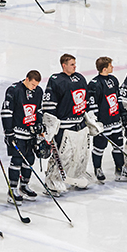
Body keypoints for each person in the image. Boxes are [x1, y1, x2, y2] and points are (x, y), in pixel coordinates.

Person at [41, 54, 97, 192]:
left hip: (80, 124)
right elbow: (49, 107)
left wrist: (90, 119)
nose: (75, 66)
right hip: (64, 127)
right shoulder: (56, 80)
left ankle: (77, 176)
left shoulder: (80, 78)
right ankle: (53, 181)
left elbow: (86, 100)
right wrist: (50, 129)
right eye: (72, 64)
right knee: (62, 156)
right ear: (64, 65)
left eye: (75, 63)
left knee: (80, 154)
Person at [87, 57, 127, 181]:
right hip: (103, 124)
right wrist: (96, 123)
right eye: (110, 65)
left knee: (119, 146)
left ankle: (120, 169)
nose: (112, 67)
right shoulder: (94, 84)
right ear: (104, 68)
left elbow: (118, 99)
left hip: (115, 121)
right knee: (99, 147)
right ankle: (97, 169)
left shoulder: (113, 80)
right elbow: (92, 105)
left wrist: (123, 114)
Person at [1, 70, 45, 202]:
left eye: (36, 85)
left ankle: (24, 186)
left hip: (30, 134)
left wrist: (39, 125)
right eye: (32, 84)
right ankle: (12, 189)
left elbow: (39, 110)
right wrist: (8, 132)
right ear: (26, 79)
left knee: (29, 160)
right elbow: (6, 112)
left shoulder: (38, 91)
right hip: (17, 133)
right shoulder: (14, 90)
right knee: (17, 161)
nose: (34, 87)